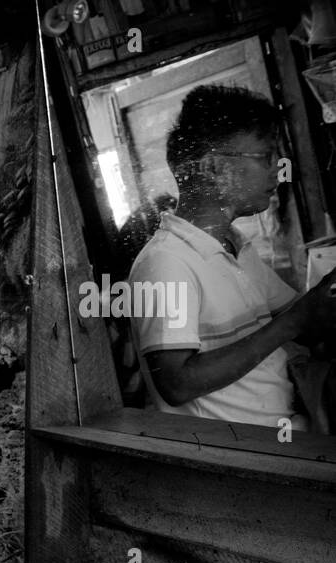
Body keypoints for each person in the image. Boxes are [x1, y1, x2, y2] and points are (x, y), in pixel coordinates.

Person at [127, 84, 335, 429]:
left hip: (293, 428)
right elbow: (177, 383)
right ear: (212, 168)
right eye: (265, 157)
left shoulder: (234, 247)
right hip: (245, 459)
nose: (278, 169)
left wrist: (320, 305)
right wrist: (293, 322)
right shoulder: (166, 263)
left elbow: (304, 322)